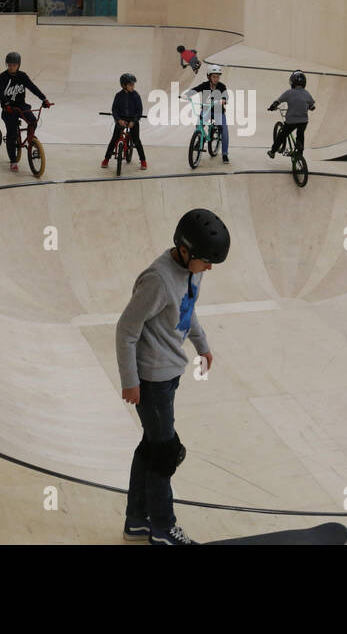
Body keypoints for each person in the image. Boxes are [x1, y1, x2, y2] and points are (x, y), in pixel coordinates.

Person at [117, 208, 227, 545]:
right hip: (151, 380)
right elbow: (126, 330)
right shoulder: (158, 281)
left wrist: (202, 345)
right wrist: (130, 381)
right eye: (206, 261)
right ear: (184, 251)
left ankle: (136, 521)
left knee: (151, 448)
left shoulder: (192, 270)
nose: (209, 268)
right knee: (167, 453)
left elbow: (187, 309)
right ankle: (163, 530)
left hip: (169, 374)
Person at [0, 50, 52, 172]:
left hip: (21, 106)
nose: (11, 67)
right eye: (9, 65)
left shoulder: (22, 76)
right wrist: (6, 103)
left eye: (14, 65)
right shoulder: (2, 77)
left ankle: (31, 140)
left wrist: (44, 98)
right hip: (9, 108)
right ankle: (13, 160)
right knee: (11, 134)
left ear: (19, 65)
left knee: (33, 121)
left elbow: (32, 87)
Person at [184, 64, 230, 164]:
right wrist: (187, 95)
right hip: (206, 110)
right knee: (198, 126)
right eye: (214, 76)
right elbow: (195, 89)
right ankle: (201, 138)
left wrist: (223, 100)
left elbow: (226, 96)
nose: (216, 79)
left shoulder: (222, 86)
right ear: (209, 76)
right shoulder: (204, 85)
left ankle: (225, 154)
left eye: (218, 77)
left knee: (224, 130)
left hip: (218, 111)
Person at [102, 72, 147, 170]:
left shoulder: (136, 96)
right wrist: (118, 120)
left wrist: (134, 121)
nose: (133, 86)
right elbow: (114, 110)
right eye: (130, 85)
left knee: (136, 140)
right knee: (114, 139)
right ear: (123, 85)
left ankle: (143, 161)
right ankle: (106, 159)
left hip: (133, 121)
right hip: (121, 120)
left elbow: (139, 111)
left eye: (133, 84)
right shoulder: (118, 96)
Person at [267, 70, 315, 158]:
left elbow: (277, 102)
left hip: (291, 121)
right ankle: (299, 152)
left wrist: (272, 107)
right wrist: (310, 107)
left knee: (281, 136)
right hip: (304, 121)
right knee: (300, 135)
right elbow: (312, 106)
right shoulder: (307, 93)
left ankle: (273, 152)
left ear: (292, 82)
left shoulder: (289, 92)